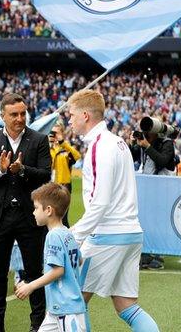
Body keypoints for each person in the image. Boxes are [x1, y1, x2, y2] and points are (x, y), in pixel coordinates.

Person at [67, 89, 159, 332]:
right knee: (126, 306)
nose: (69, 120)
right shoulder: (117, 142)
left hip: (108, 235)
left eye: (71, 114)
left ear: (85, 115)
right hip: (131, 234)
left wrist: (74, 236)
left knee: (73, 302)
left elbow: (101, 202)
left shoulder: (99, 146)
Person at [0, 92, 51, 332]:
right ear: (2, 116)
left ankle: (38, 324)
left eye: (22, 114)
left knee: (34, 272)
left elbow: (45, 175)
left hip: (30, 217)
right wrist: (0, 169)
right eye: (14, 114)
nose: (19, 118)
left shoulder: (39, 139)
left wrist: (22, 170)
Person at [15, 182, 89, 332]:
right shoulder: (67, 233)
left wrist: (30, 286)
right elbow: (79, 260)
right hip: (57, 310)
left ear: (48, 210)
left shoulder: (53, 236)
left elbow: (58, 271)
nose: (33, 212)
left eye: (36, 208)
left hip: (66, 310)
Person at [130, 127, 177, 270]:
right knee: (145, 220)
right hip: (147, 187)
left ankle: (157, 255)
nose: (146, 135)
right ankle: (145, 253)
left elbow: (162, 161)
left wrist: (147, 146)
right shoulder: (144, 141)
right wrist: (133, 144)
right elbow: (132, 158)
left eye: (149, 132)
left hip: (162, 188)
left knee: (158, 220)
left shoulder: (166, 143)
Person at [48, 123, 81, 227]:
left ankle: (65, 241)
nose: (54, 135)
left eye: (56, 133)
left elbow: (77, 156)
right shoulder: (48, 149)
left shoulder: (65, 149)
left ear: (62, 134)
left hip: (64, 186)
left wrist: (63, 143)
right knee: (49, 217)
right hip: (50, 186)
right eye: (52, 132)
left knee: (63, 217)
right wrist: (50, 145)